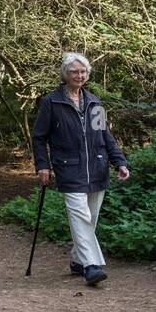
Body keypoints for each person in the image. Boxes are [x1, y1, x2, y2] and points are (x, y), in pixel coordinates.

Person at [30, 52, 130, 286]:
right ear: (65, 74)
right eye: (74, 71)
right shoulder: (52, 102)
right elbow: (38, 137)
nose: (79, 75)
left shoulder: (94, 102)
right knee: (81, 216)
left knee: (91, 218)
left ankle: (77, 259)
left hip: (97, 167)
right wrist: (42, 165)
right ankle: (91, 266)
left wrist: (121, 162)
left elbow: (105, 137)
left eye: (83, 71)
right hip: (69, 168)